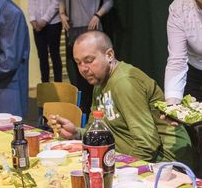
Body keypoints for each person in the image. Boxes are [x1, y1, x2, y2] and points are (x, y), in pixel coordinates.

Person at [50, 31, 193, 163]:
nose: (83, 68)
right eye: (78, 62)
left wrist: (121, 171)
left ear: (109, 55)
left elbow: (147, 144)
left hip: (166, 163)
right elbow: (97, 132)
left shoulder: (124, 82)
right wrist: (76, 133)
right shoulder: (99, 83)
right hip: (134, 158)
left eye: (89, 60)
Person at [59, 0, 113, 115]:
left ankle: (97, 111)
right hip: (73, 31)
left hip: (90, 31)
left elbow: (109, 0)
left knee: (95, 74)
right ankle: (81, 113)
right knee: (79, 75)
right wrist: (62, 14)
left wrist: (97, 15)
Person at [28, 0, 62, 83]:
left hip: (53, 22)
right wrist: (32, 18)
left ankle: (59, 84)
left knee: (54, 54)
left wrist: (45, 19)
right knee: (42, 56)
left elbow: (57, 0)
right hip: (37, 24)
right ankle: (45, 85)